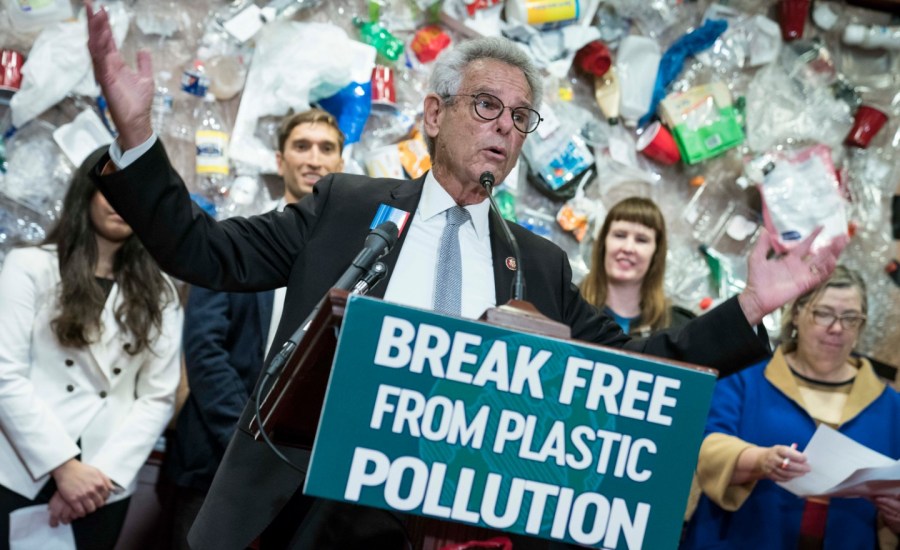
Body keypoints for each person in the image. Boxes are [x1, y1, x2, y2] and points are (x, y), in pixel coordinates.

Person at [84, 1, 847, 547]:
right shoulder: (348, 208)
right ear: (432, 114)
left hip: (453, 526)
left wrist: (752, 303)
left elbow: (633, 367)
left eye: (521, 119)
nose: (505, 130)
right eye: (487, 107)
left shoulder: (539, 263)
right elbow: (204, 254)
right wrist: (139, 139)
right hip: (308, 507)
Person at [164, 109, 345, 548]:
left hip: (300, 484)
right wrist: (248, 445)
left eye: (326, 149)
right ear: (280, 161)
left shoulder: (357, 266)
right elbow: (205, 351)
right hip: (212, 463)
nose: (313, 159)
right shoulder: (238, 241)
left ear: (342, 165)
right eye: (301, 146)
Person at [0, 147, 183, 549]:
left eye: (135, 193)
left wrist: (100, 477)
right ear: (87, 192)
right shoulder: (29, 266)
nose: (122, 203)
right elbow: (4, 377)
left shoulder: (162, 290)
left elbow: (157, 396)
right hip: (23, 466)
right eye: (110, 190)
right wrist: (64, 468)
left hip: (105, 480)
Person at [683, 266, 900, 549]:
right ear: (796, 313)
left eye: (850, 318)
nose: (837, 328)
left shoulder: (891, 406)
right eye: (823, 313)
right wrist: (761, 460)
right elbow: (706, 450)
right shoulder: (745, 378)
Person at [581, 196, 694, 336]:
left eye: (641, 240)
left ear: (656, 252)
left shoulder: (678, 327)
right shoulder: (567, 308)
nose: (628, 248)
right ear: (604, 243)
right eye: (620, 235)